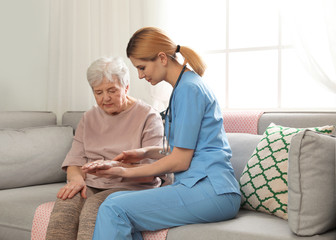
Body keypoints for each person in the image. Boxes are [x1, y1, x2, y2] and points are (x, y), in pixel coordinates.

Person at [82, 27, 241, 240]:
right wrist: (144, 152)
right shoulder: (184, 87)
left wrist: (122, 171)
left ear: (162, 58)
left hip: (213, 191)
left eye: (142, 67)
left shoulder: (189, 89)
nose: (140, 75)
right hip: (202, 187)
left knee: (114, 208)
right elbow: (184, 147)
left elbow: (180, 161)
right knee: (116, 200)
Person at [45, 56, 167, 240]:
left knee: (95, 210)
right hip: (94, 184)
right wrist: (76, 180)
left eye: (112, 90)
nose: (105, 98)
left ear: (126, 87)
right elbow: (74, 162)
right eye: (98, 92)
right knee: (65, 205)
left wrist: (114, 170)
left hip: (133, 186)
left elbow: (152, 171)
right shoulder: (89, 117)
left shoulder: (148, 117)